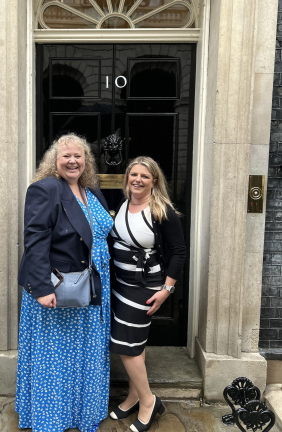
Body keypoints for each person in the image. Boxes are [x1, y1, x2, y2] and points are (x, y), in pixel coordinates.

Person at [15, 133, 114, 432]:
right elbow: (34, 242)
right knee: (56, 358)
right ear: (54, 162)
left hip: (95, 284)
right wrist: (42, 288)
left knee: (86, 352)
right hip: (60, 287)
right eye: (66, 156)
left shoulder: (91, 190)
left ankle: (82, 413)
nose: (73, 161)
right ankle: (51, 418)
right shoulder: (45, 189)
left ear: (87, 161)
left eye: (79, 156)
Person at [109, 156, 186, 432]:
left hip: (144, 286)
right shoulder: (125, 203)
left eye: (144, 176)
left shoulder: (161, 209)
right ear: (127, 178)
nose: (138, 180)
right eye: (133, 175)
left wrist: (166, 290)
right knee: (135, 347)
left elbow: (178, 252)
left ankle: (148, 401)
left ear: (154, 180)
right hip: (120, 283)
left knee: (126, 347)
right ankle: (132, 396)